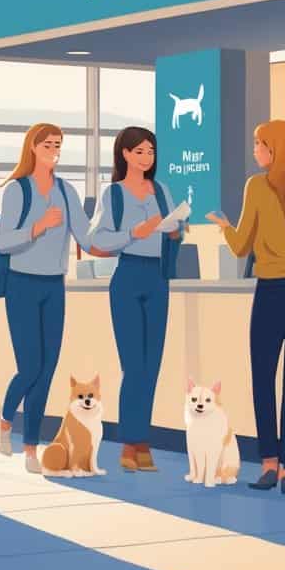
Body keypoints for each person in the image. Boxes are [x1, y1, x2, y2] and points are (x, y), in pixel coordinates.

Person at [208, 120, 285, 494]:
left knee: (263, 379)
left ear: (275, 148)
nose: (255, 151)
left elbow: (242, 246)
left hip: (271, 293)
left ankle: (269, 464)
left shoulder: (257, 187)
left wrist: (225, 226)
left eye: (259, 144)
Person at [0, 123, 96, 473]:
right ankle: (6, 421)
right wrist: (38, 226)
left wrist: (127, 237)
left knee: (48, 370)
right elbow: (2, 242)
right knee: (30, 367)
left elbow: (85, 235)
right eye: (48, 144)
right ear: (33, 147)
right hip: (22, 284)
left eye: (58, 144)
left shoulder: (67, 192)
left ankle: (30, 449)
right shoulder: (16, 191)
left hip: (54, 286)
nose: (54, 149)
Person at [89, 127, 183, 472]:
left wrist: (175, 229)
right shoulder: (112, 194)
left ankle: (142, 441)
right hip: (127, 277)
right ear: (125, 154)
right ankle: (132, 443)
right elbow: (97, 240)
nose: (146, 158)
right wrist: (135, 233)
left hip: (158, 278)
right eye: (140, 151)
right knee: (134, 365)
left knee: (152, 364)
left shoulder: (161, 190)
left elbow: (176, 230)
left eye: (151, 152)